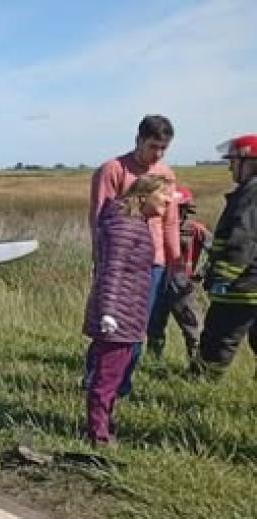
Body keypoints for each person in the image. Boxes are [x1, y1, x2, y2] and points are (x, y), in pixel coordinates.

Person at [85, 115, 182, 396]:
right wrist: (101, 263)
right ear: (138, 140)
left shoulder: (166, 174)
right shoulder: (113, 170)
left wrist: (176, 262)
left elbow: (170, 222)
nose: (158, 154)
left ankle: (121, 386)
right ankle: (95, 382)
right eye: (153, 146)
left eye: (164, 148)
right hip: (119, 260)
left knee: (138, 330)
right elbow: (100, 219)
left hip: (154, 263)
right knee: (111, 329)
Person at [84, 174, 172, 445]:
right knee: (107, 377)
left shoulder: (134, 224)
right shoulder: (125, 226)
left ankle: (104, 426)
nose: (169, 200)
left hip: (127, 312)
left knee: (114, 374)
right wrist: (108, 312)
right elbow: (113, 270)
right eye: (163, 194)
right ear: (143, 196)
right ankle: (98, 435)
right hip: (119, 314)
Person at [192, 134, 257, 379]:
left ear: (249, 162)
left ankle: (201, 388)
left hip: (242, 288)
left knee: (217, 342)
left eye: (233, 162)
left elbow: (242, 242)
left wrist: (220, 278)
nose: (230, 167)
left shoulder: (251, 194)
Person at [146, 186, 212, 362]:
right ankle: (152, 364)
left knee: (193, 328)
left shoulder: (195, 229)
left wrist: (202, 272)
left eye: (178, 209)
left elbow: (217, 250)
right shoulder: (154, 228)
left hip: (182, 287)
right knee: (154, 328)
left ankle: (196, 367)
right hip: (157, 284)